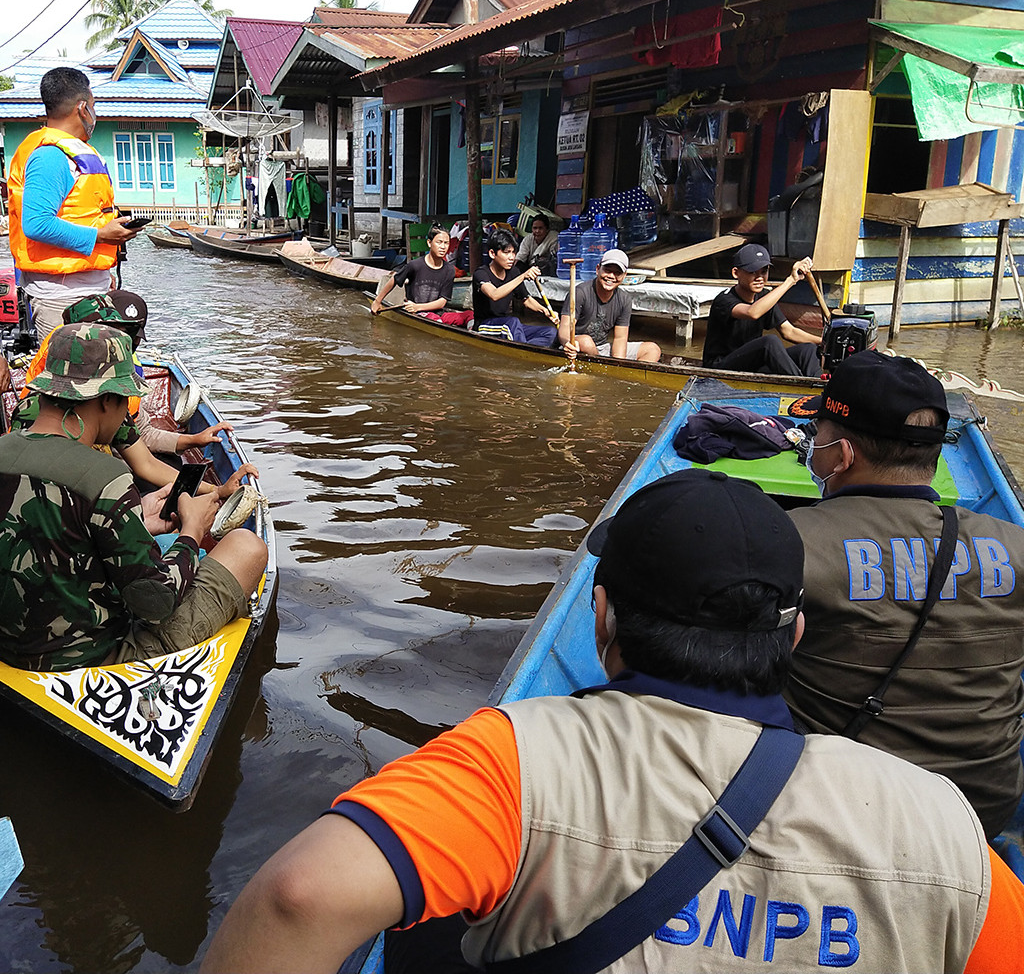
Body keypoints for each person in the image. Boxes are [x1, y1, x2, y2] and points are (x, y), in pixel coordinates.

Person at [200, 469, 1024, 974]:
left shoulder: (514, 757)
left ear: (603, 620)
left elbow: (300, 898)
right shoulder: (940, 820)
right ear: (796, 634)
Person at [786, 350, 1024, 839]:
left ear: (843, 456)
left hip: (845, 817)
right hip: (983, 812)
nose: (815, 449)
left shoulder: (790, 543)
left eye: (820, 437)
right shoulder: (1016, 546)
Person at [0, 323, 268, 672]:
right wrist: (190, 529)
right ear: (106, 400)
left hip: (9, 648)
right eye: (124, 400)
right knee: (248, 547)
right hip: (95, 657)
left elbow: (54, 537)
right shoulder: (106, 478)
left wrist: (137, 517)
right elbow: (156, 602)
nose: (127, 412)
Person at [13, 293, 255, 497]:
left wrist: (216, 490)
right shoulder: (33, 414)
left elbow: (146, 463)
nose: (121, 343)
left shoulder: (112, 397)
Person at [6, 67, 137, 338]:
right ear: (82, 108)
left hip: (89, 287)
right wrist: (101, 235)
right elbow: (37, 224)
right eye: (93, 104)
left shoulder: (77, 152)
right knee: (69, 377)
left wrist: (101, 272)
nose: (94, 112)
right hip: (60, 297)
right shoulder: (50, 157)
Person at [702, 243, 821, 376]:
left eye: (764, 272)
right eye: (752, 272)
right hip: (720, 366)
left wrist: (823, 342)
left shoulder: (764, 296)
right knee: (769, 342)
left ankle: (817, 389)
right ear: (736, 273)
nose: (759, 278)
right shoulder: (724, 300)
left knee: (808, 349)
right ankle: (799, 386)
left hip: (751, 363)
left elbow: (789, 332)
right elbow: (752, 312)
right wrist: (791, 280)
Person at [559, 248, 661, 363]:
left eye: (617, 273)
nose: (611, 276)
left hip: (601, 348)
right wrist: (568, 343)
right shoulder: (579, 293)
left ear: (624, 276)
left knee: (652, 349)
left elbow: (620, 338)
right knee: (586, 342)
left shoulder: (624, 299)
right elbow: (565, 327)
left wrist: (618, 364)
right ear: (598, 269)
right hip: (576, 346)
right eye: (607, 270)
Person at [472, 229, 559, 346]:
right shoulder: (481, 273)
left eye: (513, 252)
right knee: (512, 322)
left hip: (508, 325)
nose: (511, 257)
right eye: (506, 252)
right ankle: (524, 349)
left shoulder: (513, 272)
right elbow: (494, 294)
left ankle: (527, 349)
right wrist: (522, 276)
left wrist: (546, 311)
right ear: (492, 253)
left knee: (550, 332)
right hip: (485, 325)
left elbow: (526, 299)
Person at [370, 224, 469, 326]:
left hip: (437, 312)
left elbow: (442, 302)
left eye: (446, 243)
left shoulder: (449, 270)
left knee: (469, 315)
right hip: (418, 313)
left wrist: (418, 306)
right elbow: (394, 280)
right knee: (434, 319)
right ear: (429, 243)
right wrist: (377, 301)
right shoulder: (415, 265)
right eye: (439, 242)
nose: (443, 247)